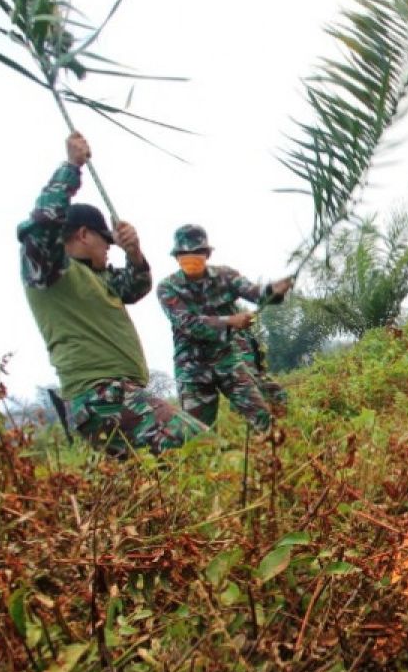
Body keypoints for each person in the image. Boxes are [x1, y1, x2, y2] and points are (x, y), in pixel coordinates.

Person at [18, 133, 206, 456]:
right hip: (101, 398)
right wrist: (71, 168)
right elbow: (40, 228)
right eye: (106, 241)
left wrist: (133, 253)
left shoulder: (97, 276)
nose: (109, 248)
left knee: (153, 488)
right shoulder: (50, 270)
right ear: (83, 235)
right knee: (198, 447)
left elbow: (136, 288)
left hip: (115, 398)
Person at [156, 224, 293, 431]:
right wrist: (229, 321)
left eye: (197, 253)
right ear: (176, 257)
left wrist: (273, 290)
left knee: (262, 419)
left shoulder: (225, 276)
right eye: (184, 254)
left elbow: (255, 293)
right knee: (199, 436)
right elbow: (188, 323)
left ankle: (273, 457)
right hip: (192, 370)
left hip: (227, 360)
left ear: (207, 254)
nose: (190, 258)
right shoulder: (167, 288)